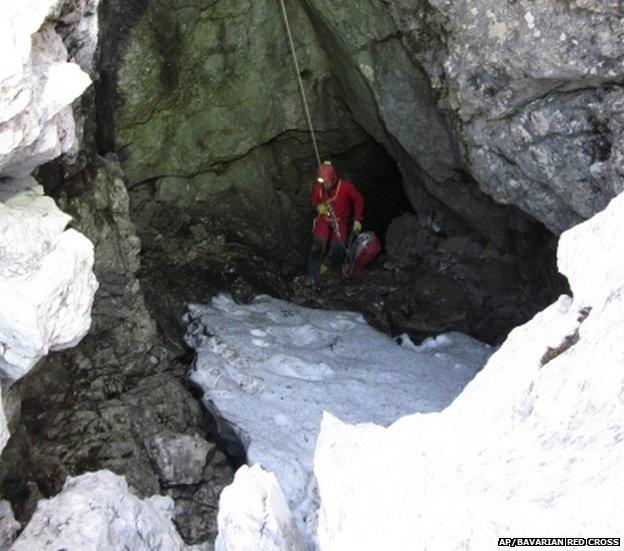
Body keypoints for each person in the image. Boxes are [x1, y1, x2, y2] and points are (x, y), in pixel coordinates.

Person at [308, 161, 364, 283]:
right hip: (324, 218)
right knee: (317, 246)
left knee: (337, 250)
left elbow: (358, 201)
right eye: (323, 182)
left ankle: (327, 266)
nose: (325, 185)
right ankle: (311, 276)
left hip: (340, 220)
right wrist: (317, 206)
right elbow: (313, 201)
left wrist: (357, 219)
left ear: (334, 179)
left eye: (327, 182)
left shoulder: (345, 187)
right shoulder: (318, 188)